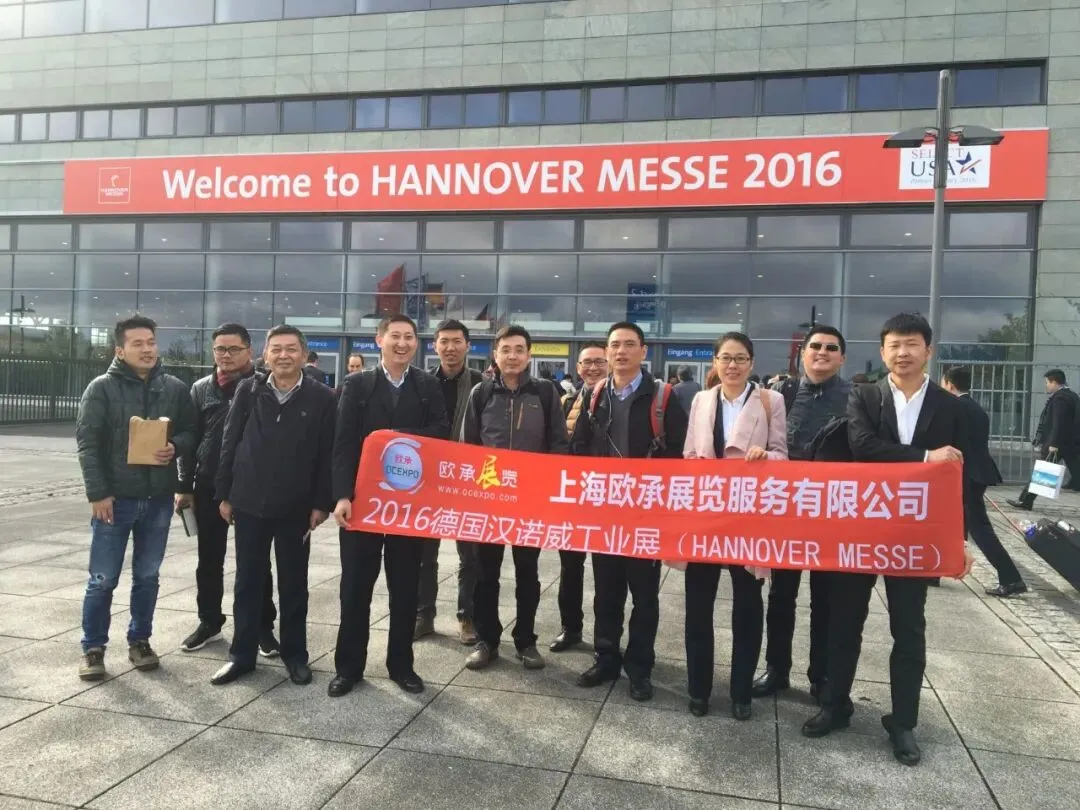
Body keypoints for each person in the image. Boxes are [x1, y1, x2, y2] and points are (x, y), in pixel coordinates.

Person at [803, 313, 974, 768]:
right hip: (862, 529)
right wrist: (925, 457)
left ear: (928, 350)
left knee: (909, 628)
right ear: (882, 352)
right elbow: (862, 447)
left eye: (911, 344)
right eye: (894, 345)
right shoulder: (865, 396)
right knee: (845, 622)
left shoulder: (950, 406)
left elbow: (961, 479)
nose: (903, 353)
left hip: (914, 538)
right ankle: (835, 704)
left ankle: (903, 722)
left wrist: (959, 542)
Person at [329, 314, 449, 697]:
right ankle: (348, 668)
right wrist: (341, 495)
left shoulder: (427, 385)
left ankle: (401, 666)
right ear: (379, 340)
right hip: (363, 504)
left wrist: (394, 437)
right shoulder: (357, 384)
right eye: (394, 336)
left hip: (408, 506)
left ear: (416, 343)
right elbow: (343, 442)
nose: (402, 343)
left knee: (406, 589)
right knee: (355, 589)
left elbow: (441, 434)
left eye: (409, 337)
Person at [210, 325, 336, 687]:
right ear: (265, 355)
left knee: (294, 584)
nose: (283, 355)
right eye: (276, 349)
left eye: (291, 349)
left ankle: (295, 656)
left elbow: (327, 454)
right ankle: (242, 656)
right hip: (249, 502)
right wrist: (224, 493)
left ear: (304, 355)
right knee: (247, 582)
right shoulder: (249, 390)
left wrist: (321, 503)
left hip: (296, 507)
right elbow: (230, 441)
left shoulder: (323, 397)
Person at [570, 322, 688, 702]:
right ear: (607, 352)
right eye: (615, 345)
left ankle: (639, 668)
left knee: (644, 595)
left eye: (629, 344)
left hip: (644, 514)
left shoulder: (663, 397)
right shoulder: (595, 395)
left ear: (643, 351)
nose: (621, 351)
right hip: (605, 512)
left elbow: (678, 454)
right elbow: (579, 447)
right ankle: (606, 657)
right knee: (606, 591)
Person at [75, 315, 197, 681]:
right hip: (115, 500)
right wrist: (98, 493)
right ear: (120, 350)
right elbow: (88, 444)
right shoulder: (101, 388)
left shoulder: (174, 388)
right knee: (102, 578)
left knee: (148, 575)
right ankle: (93, 648)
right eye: (138, 344)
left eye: (151, 342)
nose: (147, 349)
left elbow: (192, 431)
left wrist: (175, 446)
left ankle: (140, 640)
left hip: (157, 499)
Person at [682, 332, 788, 720]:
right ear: (715, 362)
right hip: (707, 515)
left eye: (740, 358)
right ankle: (699, 690)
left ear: (751, 363)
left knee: (747, 607)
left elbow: (782, 455)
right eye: (725, 358)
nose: (732, 365)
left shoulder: (771, 400)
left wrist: (766, 457)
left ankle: (741, 692)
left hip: (749, 517)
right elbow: (689, 453)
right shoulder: (701, 400)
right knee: (698, 605)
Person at [462, 325, 569, 671]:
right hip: (490, 499)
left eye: (519, 349)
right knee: (484, 574)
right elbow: (469, 448)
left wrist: (547, 489)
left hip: (530, 500)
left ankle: (526, 640)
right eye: (505, 349)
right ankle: (487, 640)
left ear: (529, 354)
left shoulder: (545, 392)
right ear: (495, 354)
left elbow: (558, 444)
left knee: (528, 572)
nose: (512, 356)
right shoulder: (481, 393)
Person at [754, 327, 851, 703]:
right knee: (781, 596)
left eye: (831, 348)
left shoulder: (857, 397)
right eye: (815, 346)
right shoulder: (782, 394)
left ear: (842, 357)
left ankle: (820, 675)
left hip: (832, 513)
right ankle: (776, 669)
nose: (822, 352)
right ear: (803, 354)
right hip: (786, 510)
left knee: (827, 600)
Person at [176, 324, 279, 656]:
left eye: (234, 349)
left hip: (252, 485)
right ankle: (209, 621)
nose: (226, 355)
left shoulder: (264, 385)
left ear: (250, 351)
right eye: (220, 349)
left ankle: (263, 627)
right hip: (208, 484)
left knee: (257, 561)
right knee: (209, 559)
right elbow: (189, 441)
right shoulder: (201, 389)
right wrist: (184, 486)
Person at [414, 319, 484, 645]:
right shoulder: (422, 383)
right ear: (434, 346)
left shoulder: (481, 384)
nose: (450, 348)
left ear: (467, 345)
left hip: (467, 480)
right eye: (444, 341)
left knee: (470, 555)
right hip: (428, 480)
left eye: (457, 341)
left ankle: (467, 616)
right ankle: (424, 614)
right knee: (424, 553)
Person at [942, 367, 1028, 597]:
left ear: (949, 384)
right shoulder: (976, 408)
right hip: (977, 473)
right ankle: (940, 569)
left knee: (979, 528)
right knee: (954, 522)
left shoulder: (954, 407)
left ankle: (1011, 578)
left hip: (966, 475)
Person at [551, 342, 608, 654]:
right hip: (572, 499)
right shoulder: (567, 400)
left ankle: (605, 640)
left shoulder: (614, 400)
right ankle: (570, 628)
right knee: (570, 568)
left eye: (599, 362)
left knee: (606, 574)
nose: (593, 368)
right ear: (578, 368)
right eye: (587, 363)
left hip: (606, 499)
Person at [1009, 369, 1080, 510]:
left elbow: (1059, 422)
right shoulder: (1072, 395)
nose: (1046, 385)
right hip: (1070, 442)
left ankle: (1025, 501)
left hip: (1059, 443)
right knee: (1074, 468)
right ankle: (1026, 501)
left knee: (1041, 472)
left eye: (1047, 382)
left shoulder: (1060, 398)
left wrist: (1054, 443)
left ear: (1054, 382)